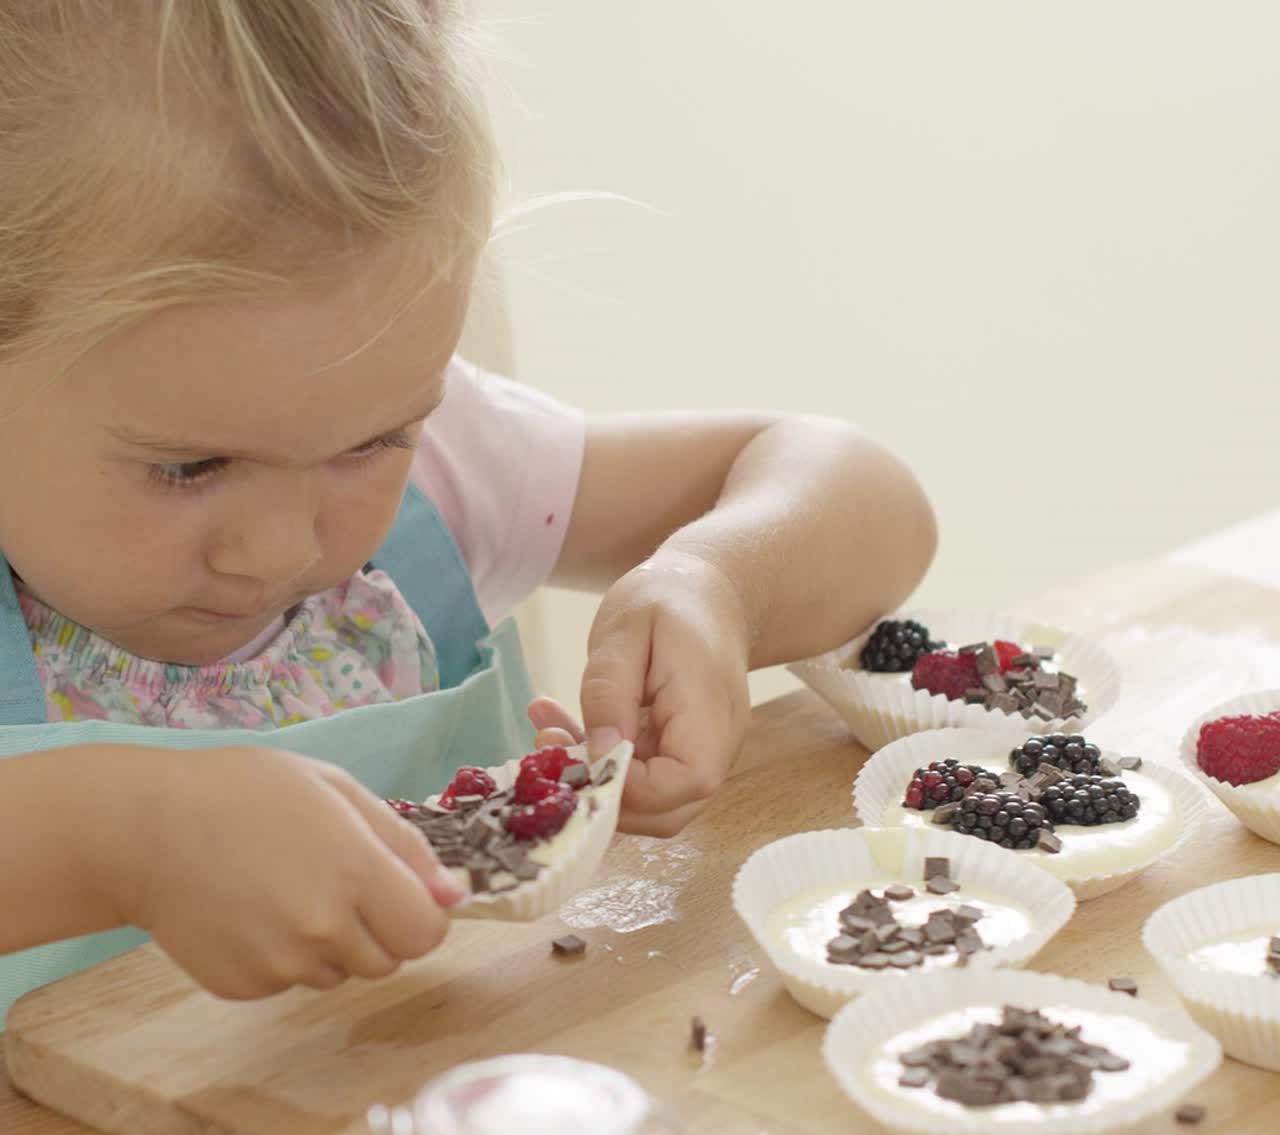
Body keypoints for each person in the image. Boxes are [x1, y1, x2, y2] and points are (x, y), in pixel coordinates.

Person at [0, 0, 935, 1018]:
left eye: (370, 443)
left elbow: (868, 497)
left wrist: (718, 581)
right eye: (189, 467)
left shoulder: (451, 464)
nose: (281, 548)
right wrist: (117, 841)